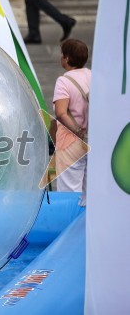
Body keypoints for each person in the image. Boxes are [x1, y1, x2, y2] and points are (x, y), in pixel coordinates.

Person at [53, 39, 90, 206]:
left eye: (62, 55)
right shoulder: (93, 76)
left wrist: (78, 131)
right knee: (90, 193)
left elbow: (61, 113)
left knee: (70, 193)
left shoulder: (64, 81)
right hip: (94, 138)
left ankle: (69, 228)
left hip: (71, 142)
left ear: (67, 59)